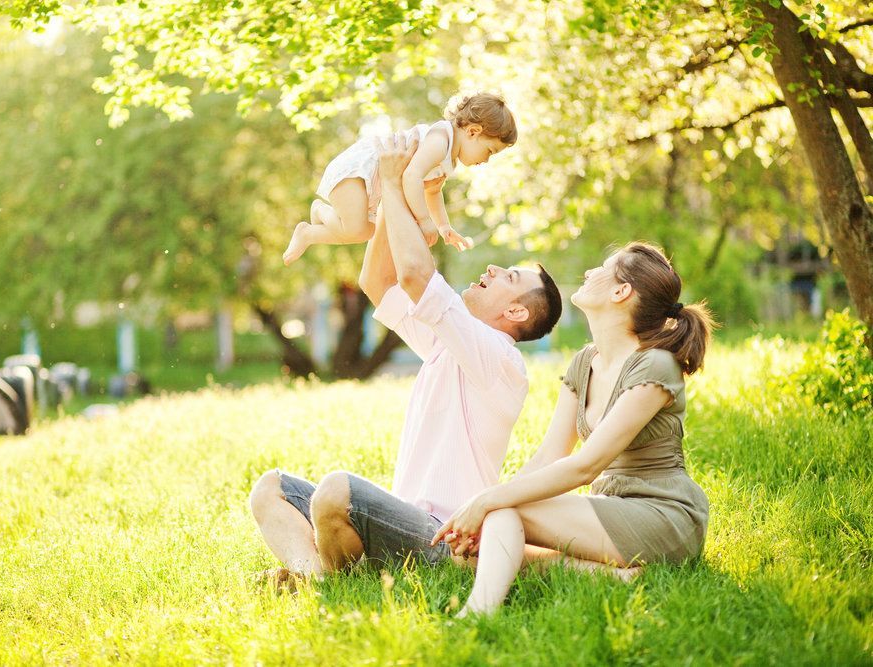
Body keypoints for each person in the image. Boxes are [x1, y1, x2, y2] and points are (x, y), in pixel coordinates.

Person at [250, 133, 561, 584]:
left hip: (441, 540)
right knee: (270, 490)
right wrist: (381, 200)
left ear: (516, 312)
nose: (492, 269)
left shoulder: (499, 359)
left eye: (508, 275)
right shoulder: (446, 344)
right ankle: (313, 579)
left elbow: (415, 274)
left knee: (337, 491)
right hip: (398, 523)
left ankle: (328, 581)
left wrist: (397, 185)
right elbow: (378, 282)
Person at [430, 242, 717, 616]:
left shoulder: (656, 366)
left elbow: (586, 466)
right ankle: (612, 576)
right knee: (480, 549)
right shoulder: (585, 362)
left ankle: (477, 616)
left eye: (602, 268)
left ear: (621, 291)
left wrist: (487, 501)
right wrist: (490, 502)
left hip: (662, 514)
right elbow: (549, 456)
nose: (589, 273)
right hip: (610, 508)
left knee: (502, 517)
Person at [282, 93, 516, 265]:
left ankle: (311, 232)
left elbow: (432, 191)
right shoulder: (440, 139)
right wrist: (424, 220)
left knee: (365, 231)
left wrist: (443, 226)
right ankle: (319, 214)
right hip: (362, 169)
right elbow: (411, 176)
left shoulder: (449, 159)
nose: (486, 160)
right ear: (473, 132)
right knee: (354, 229)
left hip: (374, 182)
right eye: (490, 151)